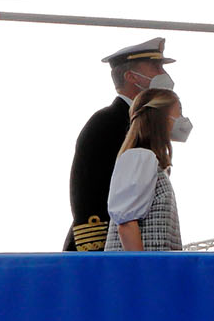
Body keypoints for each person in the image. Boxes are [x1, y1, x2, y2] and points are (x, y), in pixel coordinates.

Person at [63, 37, 177, 251]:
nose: (163, 74)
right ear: (132, 76)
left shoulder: (138, 124)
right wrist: (97, 250)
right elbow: (89, 192)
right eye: (155, 67)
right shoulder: (107, 123)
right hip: (108, 253)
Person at [104, 88, 191, 251]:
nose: (182, 118)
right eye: (179, 111)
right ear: (161, 117)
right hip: (140, 272)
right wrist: (142, 271)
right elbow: (127, 224)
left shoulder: (150, 162)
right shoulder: (139, 158)